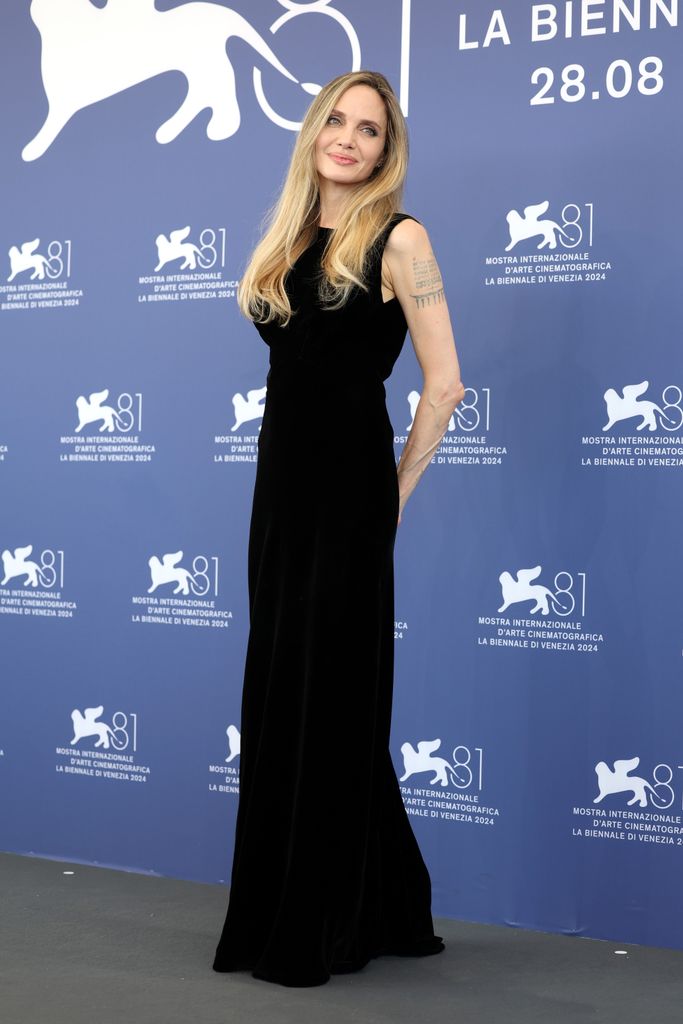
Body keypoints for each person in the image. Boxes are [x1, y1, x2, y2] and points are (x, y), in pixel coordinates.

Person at [212, 69, 464, 987]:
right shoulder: (289, 236)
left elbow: (444, 386)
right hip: (278, 495)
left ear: (385, 151)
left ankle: (318, 926)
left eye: (370, 129)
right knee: (286, 693)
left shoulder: (401, 239)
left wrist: (392, 493)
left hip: (350, 497)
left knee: (332, 695)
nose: (350, 138)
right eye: (338, 121)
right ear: (314, 131)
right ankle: (378, 896)